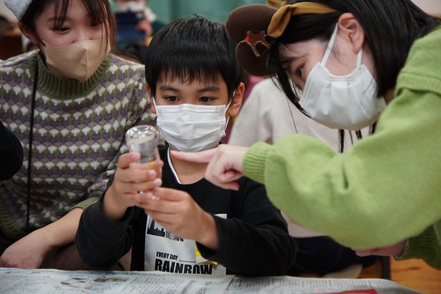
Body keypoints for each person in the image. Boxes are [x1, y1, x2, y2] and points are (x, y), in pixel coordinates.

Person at [172, 0, 441, 270]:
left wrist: (260, 161)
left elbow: (365, 207)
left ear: (351, 31)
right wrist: (413, 240)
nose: (310, 103)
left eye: (301, 70)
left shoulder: (432, 61)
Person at [75, 15, 297, 276]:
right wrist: (113, 203)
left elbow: (277, 255)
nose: (186, 111)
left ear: (234, 99)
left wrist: (207, 228)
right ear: (152, 98)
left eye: (205, 98)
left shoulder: (244, 173)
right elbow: (94, 255)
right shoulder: (144, 173)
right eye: (171, 97)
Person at [0, 0, 154, 269]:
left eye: (96, 24)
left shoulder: (138, 86)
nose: (84, 42)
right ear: (28, 31)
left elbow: (118, 189)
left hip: (96, 247)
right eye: (62, 28)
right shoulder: (5, 84)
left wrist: (43, 240)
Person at [229, 78, 376, 276]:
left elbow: (237, 156)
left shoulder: (268, 91)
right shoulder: (369, 84)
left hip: (297, 244)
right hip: (364, 240)